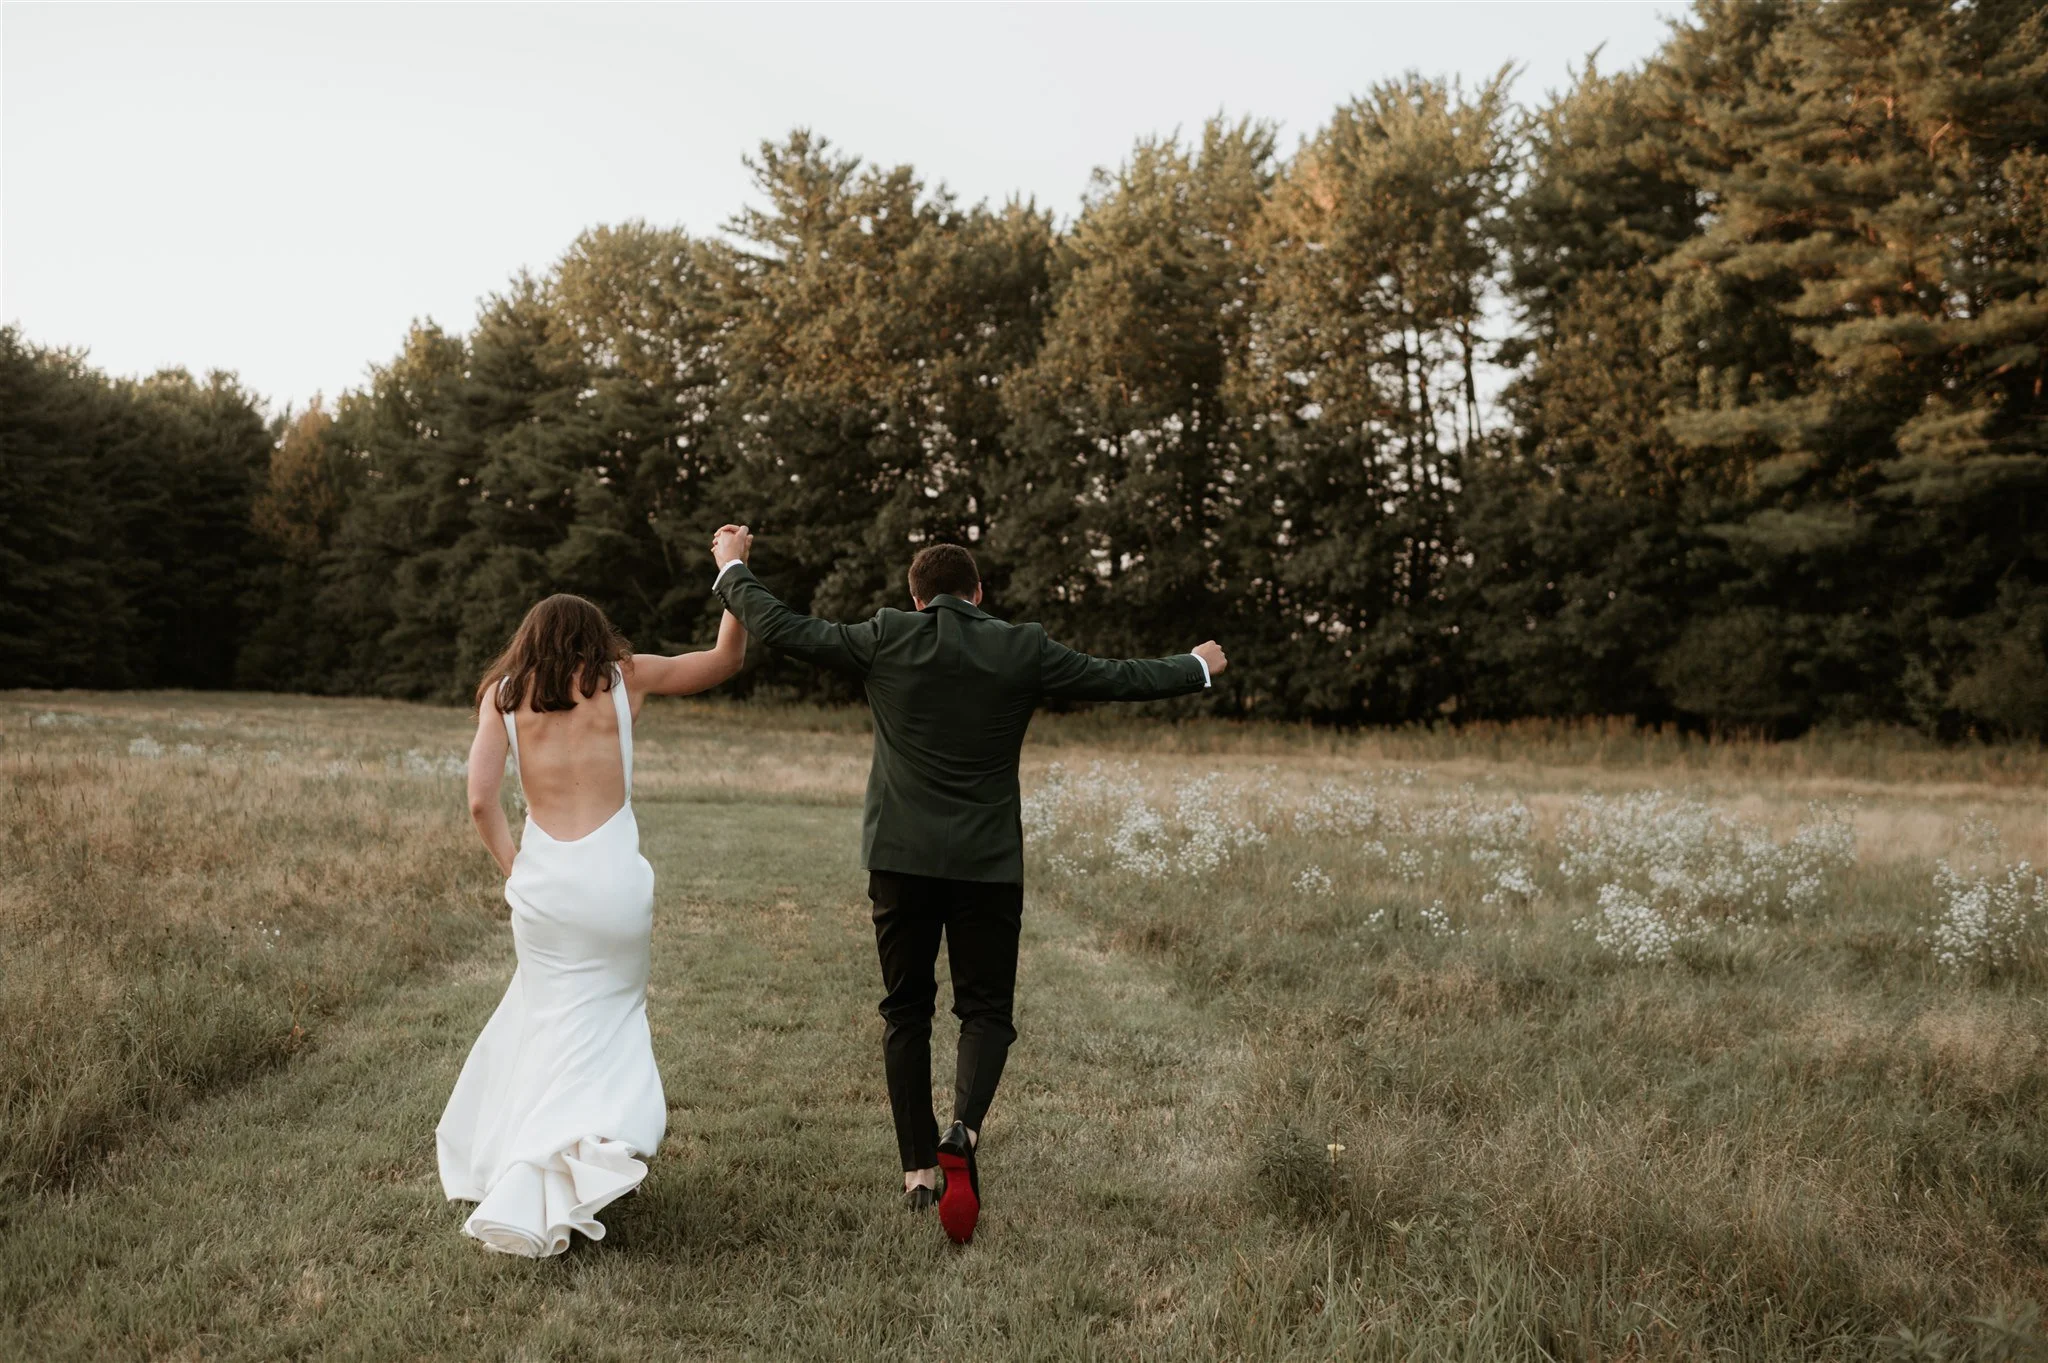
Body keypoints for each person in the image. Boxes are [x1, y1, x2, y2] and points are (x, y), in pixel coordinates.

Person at [707, 526, 1227, 1245]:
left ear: (916, 597)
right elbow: (1117, 676)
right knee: (985, 1010)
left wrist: (733, 566)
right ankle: (964, 1129)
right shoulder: (1021, 646)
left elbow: (786, 626)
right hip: (986, 864)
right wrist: (1193, 666)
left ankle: (919, 1170)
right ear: (979, 594)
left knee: (905, 1011)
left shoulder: (887, 634)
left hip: (899, 858)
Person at [436, 590, 747, 1256]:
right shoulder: (622, 679)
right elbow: (725, 658)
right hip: (615, 888)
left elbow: (479, 801)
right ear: (596, 637)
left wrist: (516, 869)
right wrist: (734, 575)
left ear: (529, 640)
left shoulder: (503, 696)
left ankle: (544, 1164)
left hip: (546, 889)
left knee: (550, 1024)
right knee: (609, 1021)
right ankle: (591, 1152)